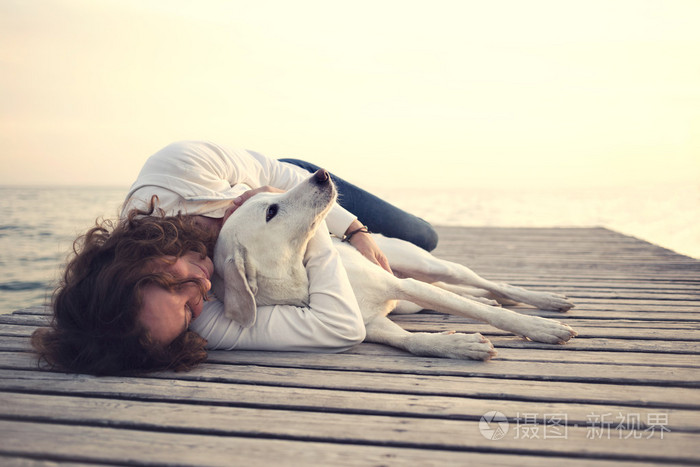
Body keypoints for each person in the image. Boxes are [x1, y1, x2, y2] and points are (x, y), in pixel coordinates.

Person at [32, 141, 438, 375]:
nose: (205, 289)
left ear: (132, 262)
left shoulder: (176, 170)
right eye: (191, 310)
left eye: (176, 284)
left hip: (294, 182)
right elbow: (338, 329)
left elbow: (279, 177)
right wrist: (307, 230)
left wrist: (353, 230)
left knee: (423, 237)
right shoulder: (189, 319)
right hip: (291, 222)